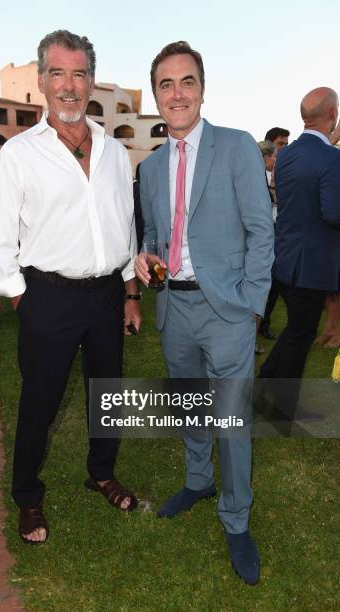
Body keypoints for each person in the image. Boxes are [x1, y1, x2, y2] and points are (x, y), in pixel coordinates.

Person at [0, 29, 141, 544]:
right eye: (58, 74)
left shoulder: (115, 151)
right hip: (46, 296)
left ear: (91, 80)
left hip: (105, 297)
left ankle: (101, 473)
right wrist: (20, 296)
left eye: (78, 74)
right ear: (42, 81)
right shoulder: (18, 153)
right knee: (40, 402)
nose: (70, 86)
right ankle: (28, 498)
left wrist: (129, 291)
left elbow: (125, 224)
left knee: (108, 394)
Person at [135, 41, 274, 585]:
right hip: (175, 309)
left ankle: (236, 517)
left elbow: (263, 230)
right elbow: (151, 234)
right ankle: (198, 480)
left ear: (202, 88)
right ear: (156, 95)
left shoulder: (237, 147)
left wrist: (252, 303)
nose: (177, 93)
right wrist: (145, 256)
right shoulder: (149, 168)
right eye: (166, 84)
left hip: (228, 312)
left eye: (186, 81)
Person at [259, 87, 340, 414]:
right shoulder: (332, 159)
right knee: (300, 334)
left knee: (297, 329)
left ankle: (264, 386)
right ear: (332, 115)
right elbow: (333, 213)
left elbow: (311, 169)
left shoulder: (287, 153)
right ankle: (282, 408)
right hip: (314, 260)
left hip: (287, 255)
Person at [257, 140, 279, 341]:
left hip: (274, 233)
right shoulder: (255, 178)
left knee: (273, 284)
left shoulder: (274, 176)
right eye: (275, 156)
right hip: (262, 238)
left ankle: (263, 324)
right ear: (266, 158)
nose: (276, 161)